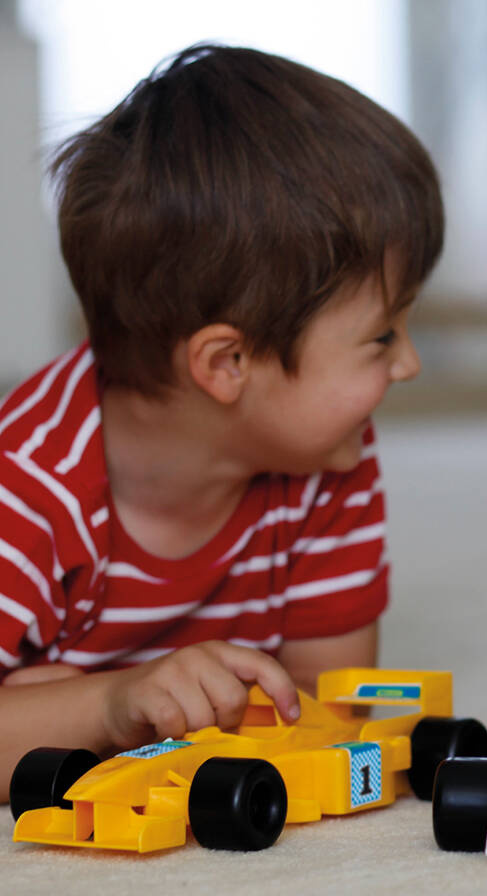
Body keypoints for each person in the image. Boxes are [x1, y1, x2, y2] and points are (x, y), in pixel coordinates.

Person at [0, 44, 443, 799]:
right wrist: (106, 706)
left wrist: (52, 708)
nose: (409, 363)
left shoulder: (327, 462)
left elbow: (324, 712)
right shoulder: (29, 492)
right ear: (228, 362)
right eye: (381, 336)